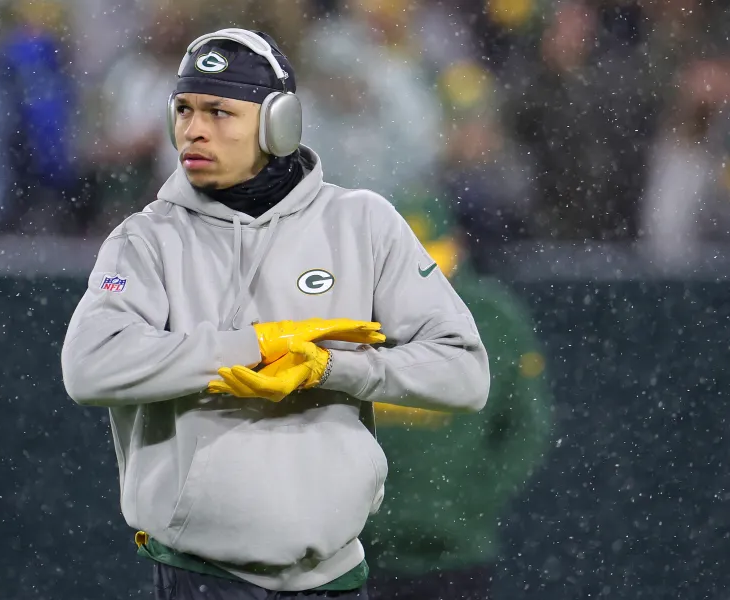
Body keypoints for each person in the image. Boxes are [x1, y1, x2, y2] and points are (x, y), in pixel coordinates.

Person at [60, 28, 490, 599]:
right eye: (184, 110)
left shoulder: (362, 224)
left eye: (219, 112)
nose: (193, 129)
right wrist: (256, 345)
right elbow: (90, 366)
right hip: (203, 578)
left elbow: (464, 374)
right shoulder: (145, 240)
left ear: (277, 124)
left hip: (336, 576)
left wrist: (332, 369)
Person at [362, 193, 553, 600]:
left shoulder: (494, 317)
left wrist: (471, 501)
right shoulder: (349, 311)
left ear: (458, 245)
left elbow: (526, 428)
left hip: (453, 552)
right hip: (357, 551)